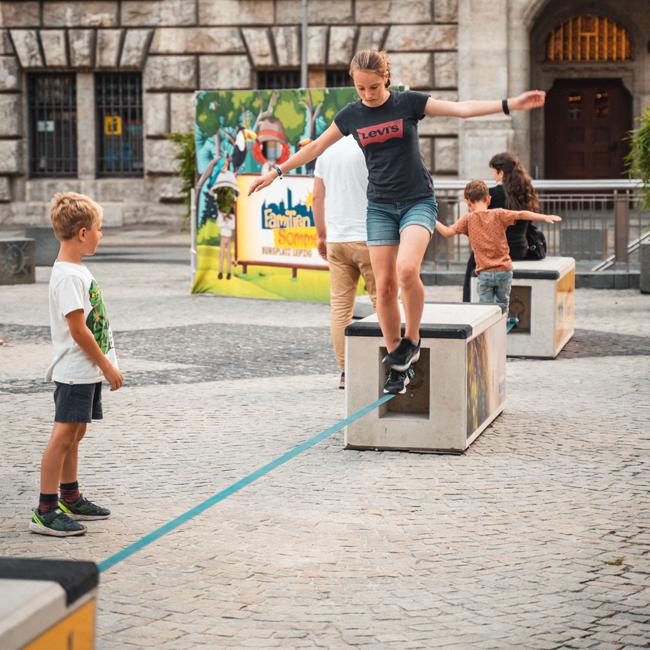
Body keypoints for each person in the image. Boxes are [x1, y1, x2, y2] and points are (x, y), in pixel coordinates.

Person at [248, 49, 546, 394]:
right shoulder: (351, 115)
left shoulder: (408, 104)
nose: (368, 95)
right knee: (385, 286)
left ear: (385, 79)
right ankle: (397, 363)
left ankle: (412, 340)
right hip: (379, 207)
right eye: (360, 89)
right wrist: (276, 172)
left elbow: (461, 109)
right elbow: (315, 147)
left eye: (373, 87)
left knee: (406, 271)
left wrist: (511, 104)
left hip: (417, 202)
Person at [31, 192, 123, 537]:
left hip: (86, 371)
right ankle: (45, 508)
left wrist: (101, 366)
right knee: (63, 435)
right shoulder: (68, 276)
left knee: (77, 432)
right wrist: (107, 366)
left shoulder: (76, 270)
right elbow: (78, 328)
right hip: (75, 370)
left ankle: (70, 494)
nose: (102, 235)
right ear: (83, 233)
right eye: (99, 229)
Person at [436, 180, 561, 314]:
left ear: (468, 203)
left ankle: (489, 333)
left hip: (484, 273)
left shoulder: (467, 219)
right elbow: (521, 214)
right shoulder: (499, 214)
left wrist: (431, 217)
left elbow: (447, 233)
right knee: (503, 306)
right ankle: (505, 325)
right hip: (504, 271)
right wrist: (544, 217)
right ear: (489, 199)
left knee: (485, 312)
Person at [313, 134, 377, 390]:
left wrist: (321, 235)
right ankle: (391, 363)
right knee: (384, 301)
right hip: (371, 237)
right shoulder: (372, 147)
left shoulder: (326, 150)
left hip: (337, 239)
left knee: (340, 308)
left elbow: (317, 197)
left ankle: (345, 371)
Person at [462, 152, 541, 302]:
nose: (493, 175)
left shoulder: (491, 196)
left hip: (495, 253)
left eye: (493, 171)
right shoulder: (525, 193)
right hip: (520, 250)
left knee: (473, 261)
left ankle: (468, 303)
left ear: (501, 172)